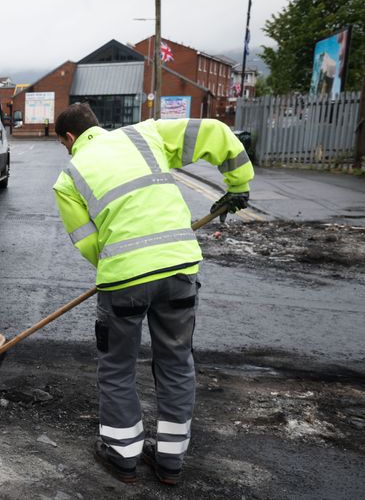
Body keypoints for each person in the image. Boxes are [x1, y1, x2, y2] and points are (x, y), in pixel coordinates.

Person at [52, 103, 253, 485]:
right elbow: (216, 132)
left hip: (124, 280)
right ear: (97, 124)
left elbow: (89, 244)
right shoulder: (145, 135)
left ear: (70, 138)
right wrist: (238, 185)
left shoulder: (69, 177)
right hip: (179, 269)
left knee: (117, 366)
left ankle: (123, 456)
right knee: (177, 362)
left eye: (64, 144)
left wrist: (117, 265)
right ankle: (170, 462)